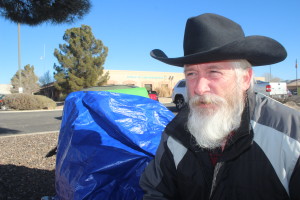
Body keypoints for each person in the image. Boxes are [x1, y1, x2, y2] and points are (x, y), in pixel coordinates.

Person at [139, 13, 300, 200]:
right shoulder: (175, 134)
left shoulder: (291, 136)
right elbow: (156, 192)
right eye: (191, 73)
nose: (199, 88)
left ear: (245, 78)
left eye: (214, 72)